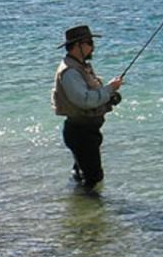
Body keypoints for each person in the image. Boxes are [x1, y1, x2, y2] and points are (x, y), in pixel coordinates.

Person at [51, 24, 123, 190]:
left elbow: (91, 95)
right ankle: (89, 203)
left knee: (82, 176)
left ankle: (79, 203)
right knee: (93, 179)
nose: (93, 47)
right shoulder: (70, 71)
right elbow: (84, 100)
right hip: (81, 133)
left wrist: (109, 95)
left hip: (86, 131)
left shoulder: (80, 66)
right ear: (77, 45)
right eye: (89, 42)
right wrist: (109, 89)